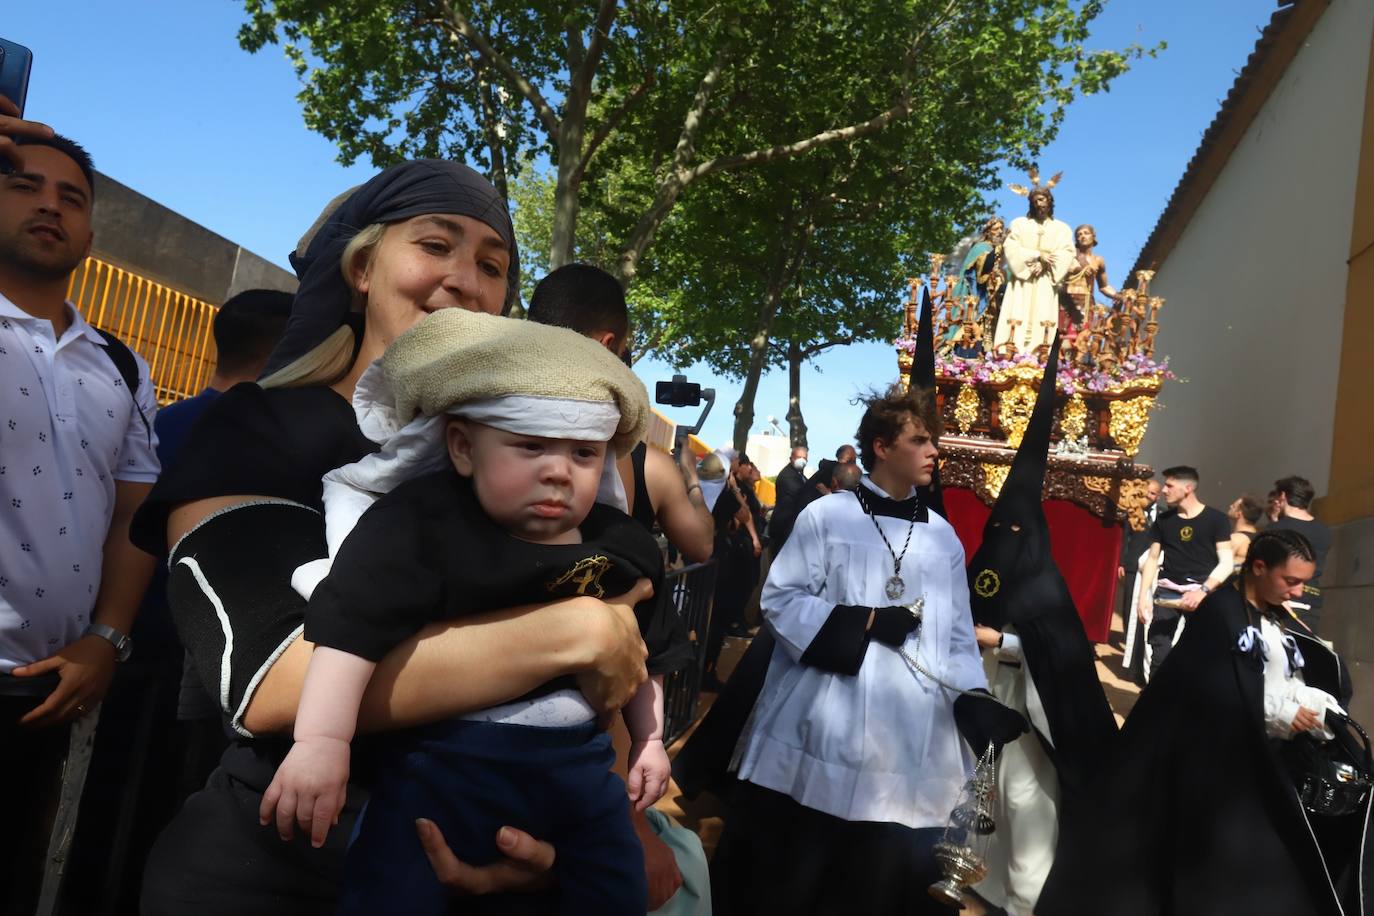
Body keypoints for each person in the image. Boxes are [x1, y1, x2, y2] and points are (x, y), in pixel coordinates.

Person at [129, 161, 650, 916]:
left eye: (492, 265)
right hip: (281, 868)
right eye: (435, 245)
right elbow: (268, 682)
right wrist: (575, 631)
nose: (464, 280)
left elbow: (620, 658)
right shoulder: (256, 429)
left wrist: (569, 845)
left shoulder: (531, 460)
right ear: (363, 266)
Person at [267, 308, 690, 914]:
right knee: (391, 889)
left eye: (582, 453)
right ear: (463, 447)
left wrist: (650, 741)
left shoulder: (620, 544)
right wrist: (321, 742)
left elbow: (644, 653)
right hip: (442, 768)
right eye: (530, 446)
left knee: (613, 887)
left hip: (579, 771)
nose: (557, 471)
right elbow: (349, 631)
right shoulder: (421, 527)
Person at [708, 383, 1026, 916]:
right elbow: (781, 598)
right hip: (825, 709)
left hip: (914, 726)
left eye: (934, 441)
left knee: (882, 873)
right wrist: (868, 620)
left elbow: (953, 635)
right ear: (881, 447)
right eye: (920, 440)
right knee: (799, 867)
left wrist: (973, 696)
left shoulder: (944, 538)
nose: (934, 452)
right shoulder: (827, 516)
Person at [1039, 528, 1371, 915]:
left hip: (1255, 764)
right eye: (1291, 581)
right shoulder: (1222, 613)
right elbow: (1210, 692)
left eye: (1303, 583)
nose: (1298, 593)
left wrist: (1312, 704)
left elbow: (1281, 676)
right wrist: (1279, 714)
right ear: (1259, 568)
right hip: (1210, 774)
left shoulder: (1275, 618)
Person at [0, 128, 160, 913]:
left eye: (71, 197)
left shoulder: (123, 366)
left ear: (92, 234)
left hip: (44, 693)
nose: (48, 205)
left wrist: (108, 639)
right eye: (23, 184)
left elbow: (136, 511)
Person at [526, 262, 713, 564]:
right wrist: (691, 478)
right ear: (607, 345)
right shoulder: (650, 464)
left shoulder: (471, 422)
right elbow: (701, 546)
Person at [1135, 465, 1232, 678]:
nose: (1164, 490)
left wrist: (1203, 591)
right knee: (1159, 648)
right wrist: (1143, 597)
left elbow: (1226, 563)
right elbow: (1152, 559)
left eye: (1170, 485)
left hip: (1201, 596)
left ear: (1187, 488)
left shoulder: (1216, 520)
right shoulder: (1164, 520)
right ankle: (1154, 700)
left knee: (1196, 652)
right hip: (1167, 593)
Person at [994, 176, 1074, 354]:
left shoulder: (1062, 229)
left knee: (1043, 312)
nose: (1039, 203)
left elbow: (1067, 252)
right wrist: (1037, 256)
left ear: (1049, 201)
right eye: (1035, 200)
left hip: (1046, 279)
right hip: (1022, 278)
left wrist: (1046, 265)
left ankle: (1040, 351)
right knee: (1017, 309)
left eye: (1042, 199)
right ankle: (1011, 349)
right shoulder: (1019, 224)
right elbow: (1011, 247)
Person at [1269, 475, 1333, 634]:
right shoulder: (1324, 531)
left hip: (1283, 600)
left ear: (1283, 496)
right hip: (1312, 600)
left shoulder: (1277, 529)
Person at [1059, 223, 1121, 334]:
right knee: (1064, 336)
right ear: (1076, 240)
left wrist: (1119, 296)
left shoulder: (1098, 260)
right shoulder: (1069, 256)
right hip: (1066, 300)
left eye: (1086, 233)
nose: (1082, 236)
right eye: (1079, 234)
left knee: (1083, 337)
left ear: (1093, 237)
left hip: (1086, 302)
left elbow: (1104, 286)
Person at [1228, 493, 1263, 573]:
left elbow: (1220, 568)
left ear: (1238, 514)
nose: (1230, 506)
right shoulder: (1259, 537)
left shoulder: (1236, 539)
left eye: (1233, 506)